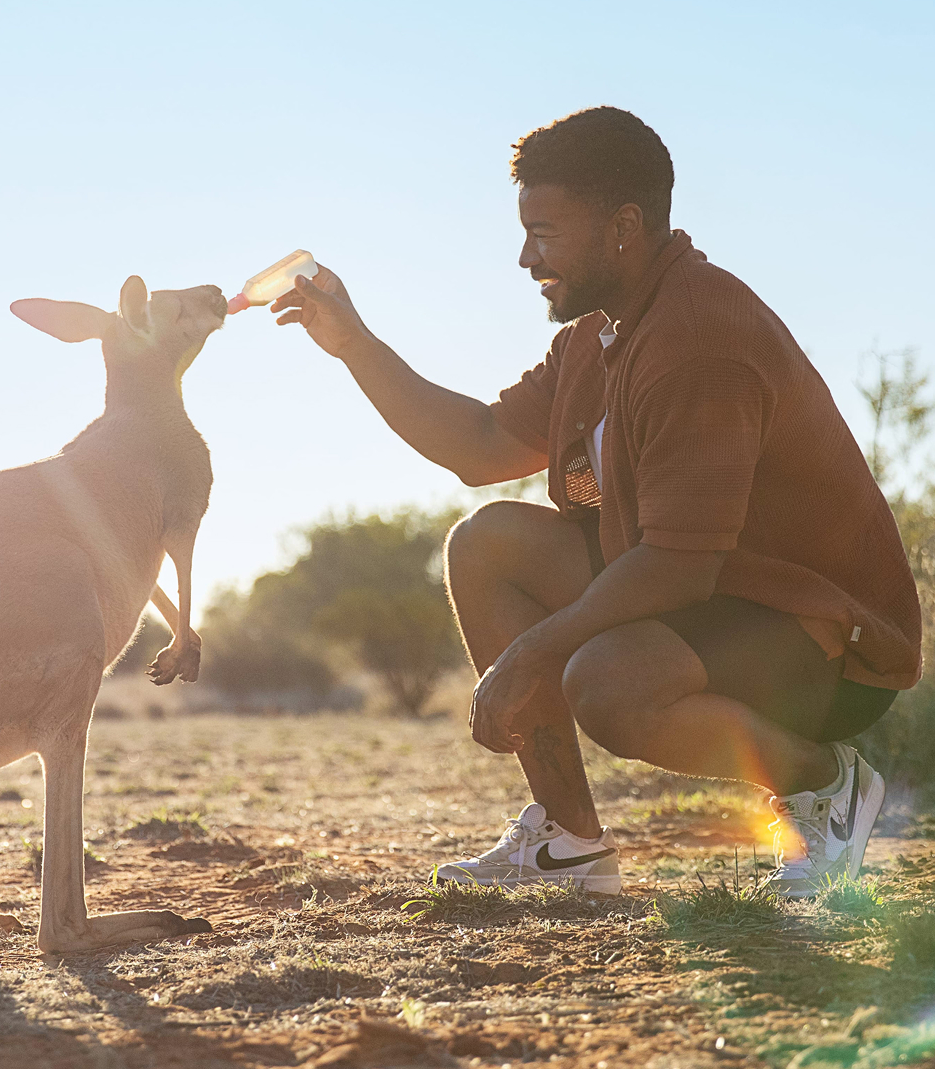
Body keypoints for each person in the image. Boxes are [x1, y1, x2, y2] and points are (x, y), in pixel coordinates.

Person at [272, 106, 922, 898]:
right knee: (486, 544)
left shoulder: (698, 336)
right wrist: (355, 345)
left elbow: (679, 566)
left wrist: (531, 652)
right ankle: (568, 840)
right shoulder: (600, 331)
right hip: (712, 590)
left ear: (622, 227)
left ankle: (825, 785)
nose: (523, 256)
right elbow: (479, 445)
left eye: (543, 232)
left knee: (604, 683)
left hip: (821, 636)